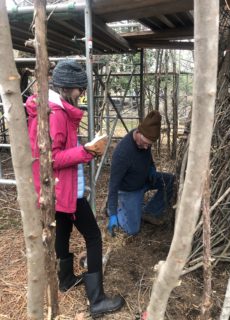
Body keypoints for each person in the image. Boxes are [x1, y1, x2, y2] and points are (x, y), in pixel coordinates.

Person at [25, 59, 124, 318]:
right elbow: (51, 158)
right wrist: (86, 151)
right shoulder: (55, 114)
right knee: (93, 236)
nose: (81, 93)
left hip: (58, 188)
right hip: (65, 188)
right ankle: (97, 300)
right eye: (79, 88)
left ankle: (66, 278)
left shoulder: (53, 109)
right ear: (68, 87)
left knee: (64, 230)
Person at [107, 110, 174, 236]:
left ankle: (149, 211)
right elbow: (113, 185)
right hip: (129, 189)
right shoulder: (122, 153)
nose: (146, 148)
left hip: (145, 180)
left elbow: (148, 160)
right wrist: (112, 214)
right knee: (132, 230)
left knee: (171, 180)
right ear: (138, 132)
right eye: (145, 143)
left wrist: (152, 169)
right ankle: (116, 209)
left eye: (149, 145)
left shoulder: (144, 143)